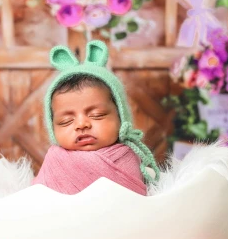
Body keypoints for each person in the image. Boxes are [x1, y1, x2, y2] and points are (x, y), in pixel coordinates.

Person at [32, 40, 159, 195]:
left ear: (121, 117)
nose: (82, 124)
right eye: (66, 121)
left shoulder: (127, 157)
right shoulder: (54, 160)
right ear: (53, 128)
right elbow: (37, 200)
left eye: (97, 115)